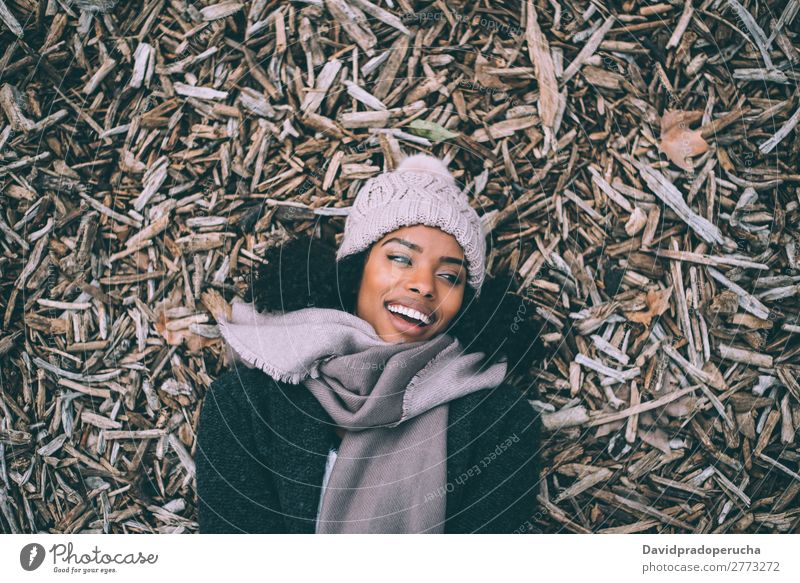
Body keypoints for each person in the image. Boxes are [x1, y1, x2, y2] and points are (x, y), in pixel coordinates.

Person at [195, 154, 545, 533]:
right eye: (400, 258)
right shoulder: (246, 406)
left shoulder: (500, 425)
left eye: (449, 276)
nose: (425, 285)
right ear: (357, 266)